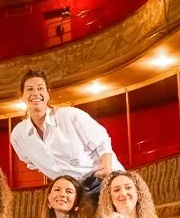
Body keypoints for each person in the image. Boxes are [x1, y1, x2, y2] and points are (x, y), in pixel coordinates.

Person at [9, 69, 124, 201]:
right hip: (73, 191)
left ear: (48, 94)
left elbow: (102, 141)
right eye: (29, 89)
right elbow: (30, 162)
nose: (35, 93)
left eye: (40, 88)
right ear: (22, 97)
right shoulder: (18, 135)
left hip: (103, 179)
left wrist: (106, 171)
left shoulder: (70, 115)